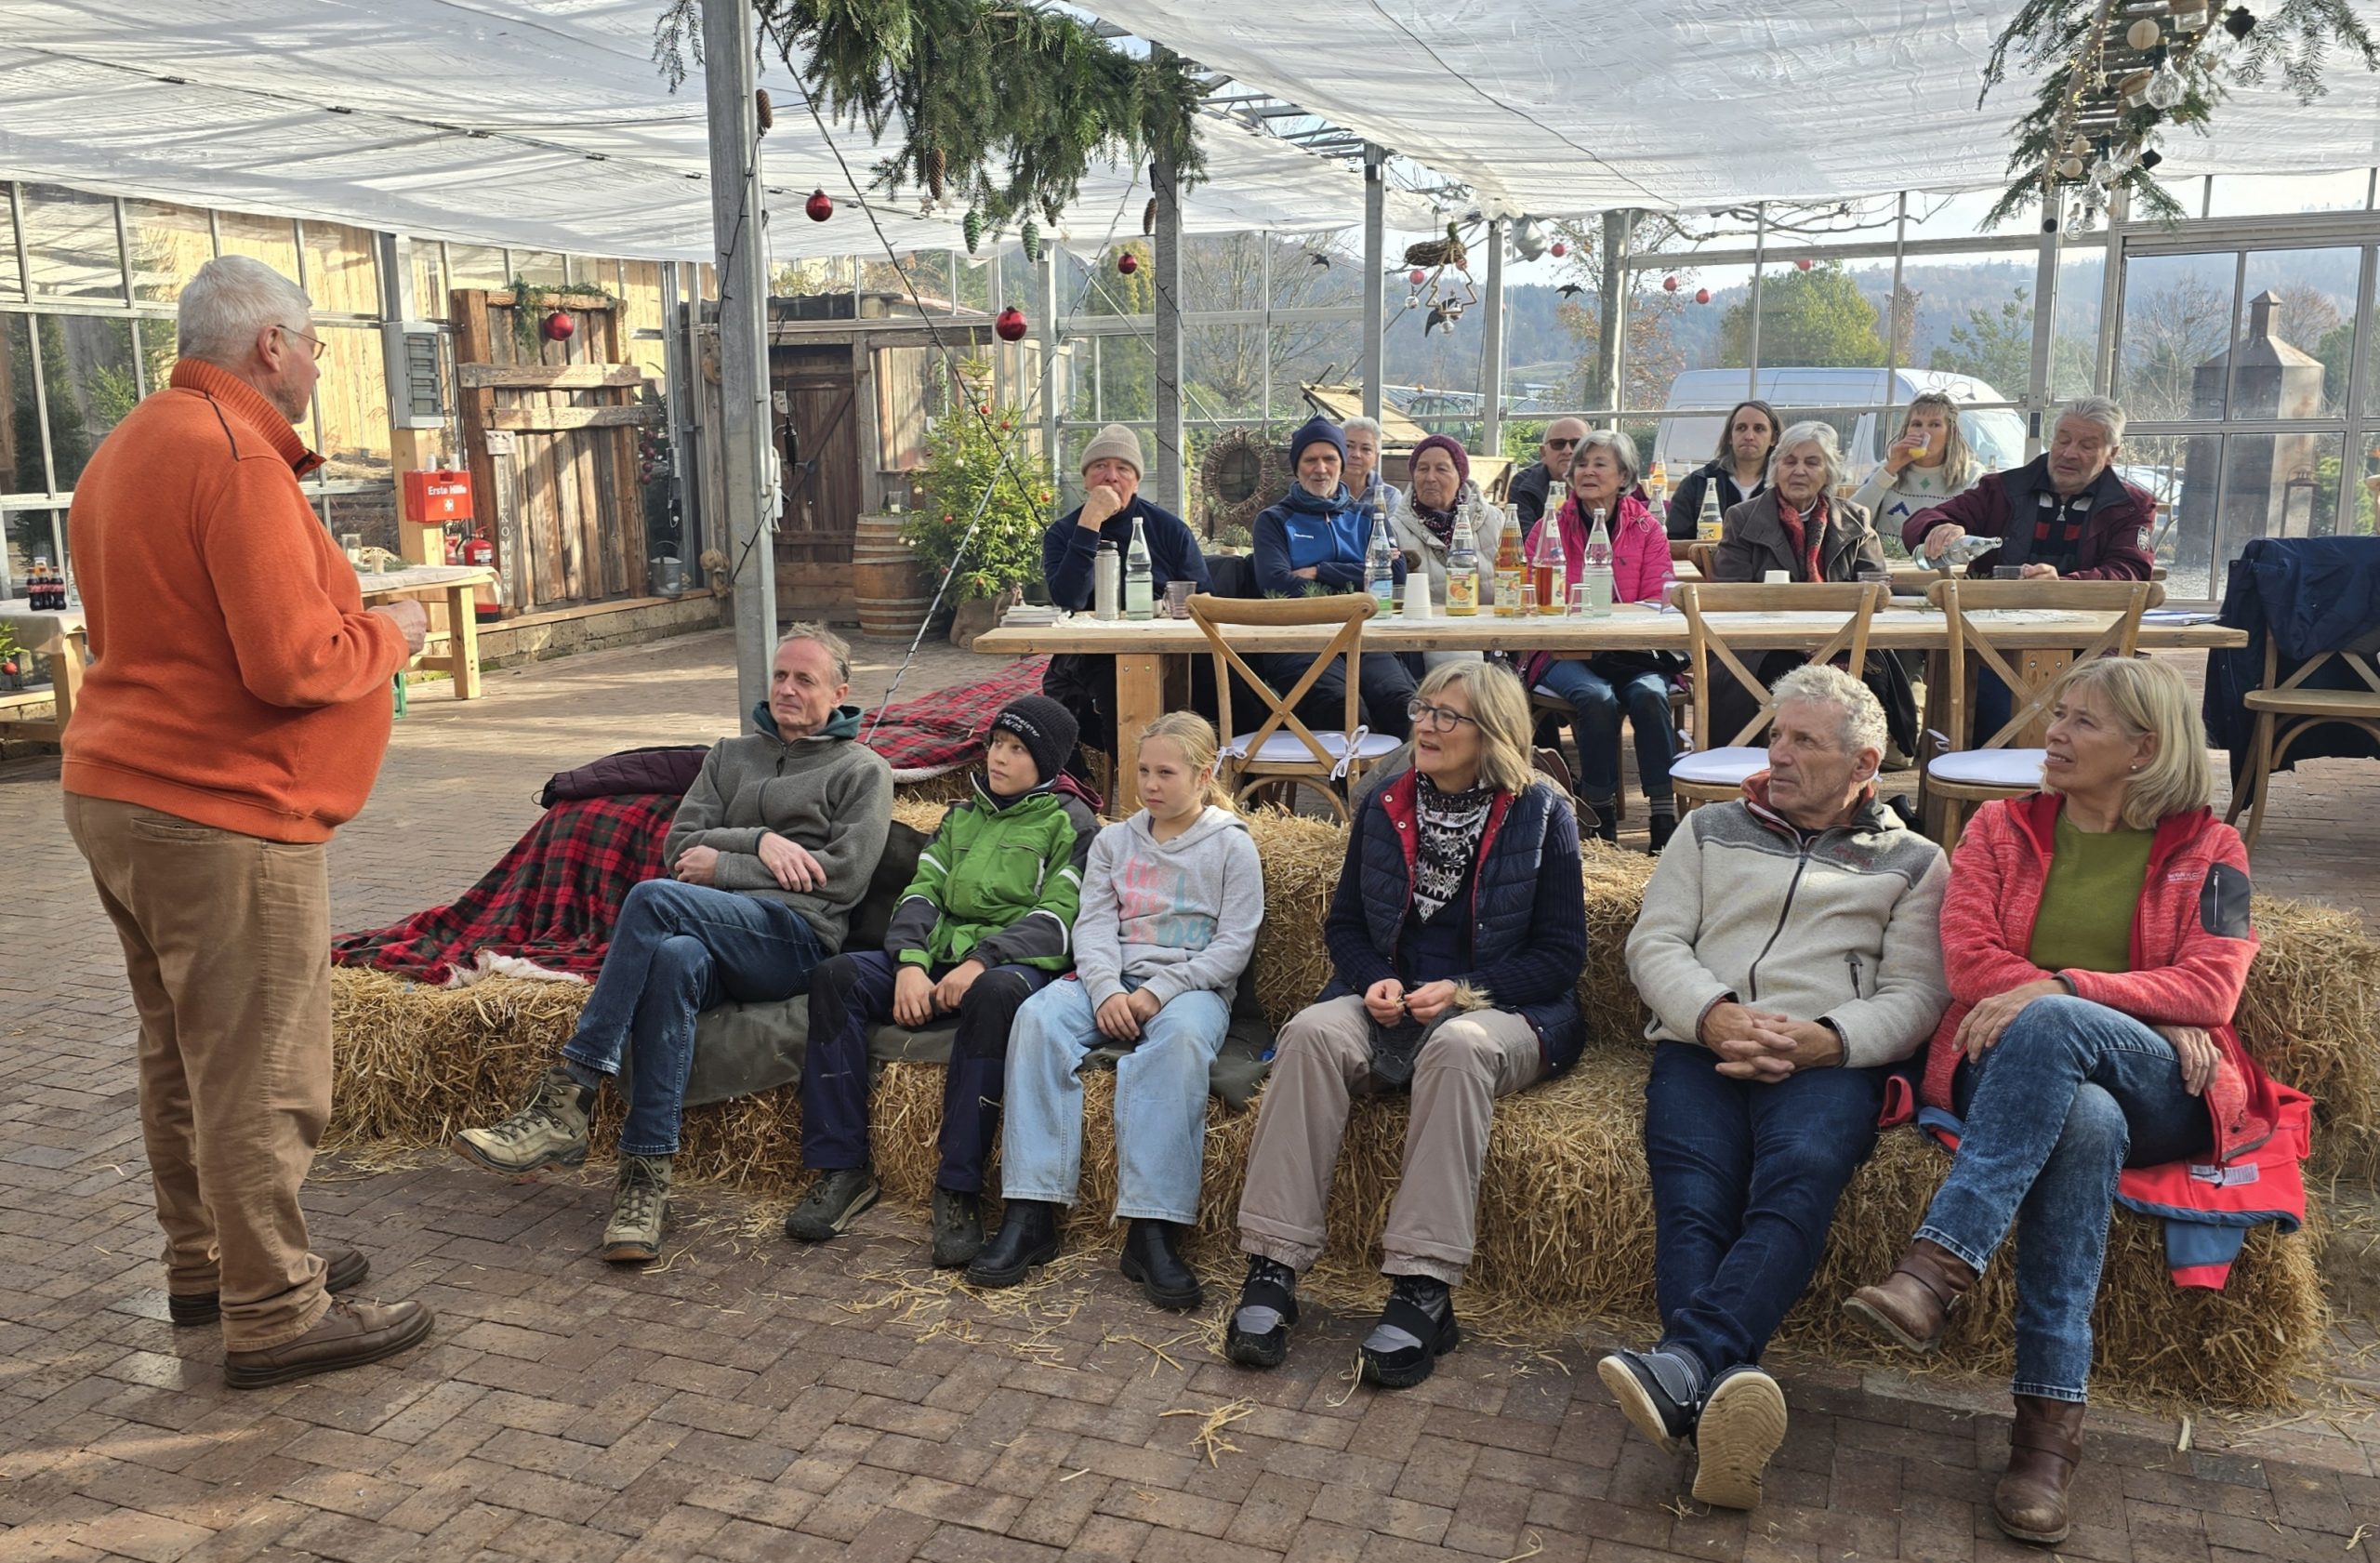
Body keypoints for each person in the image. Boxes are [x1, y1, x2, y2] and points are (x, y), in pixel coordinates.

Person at [60, 255, 435, 1387]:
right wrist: (397, 627)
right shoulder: (232, 457)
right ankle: (272, 1307)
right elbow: (294, 661)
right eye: (316, 341)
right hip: (220, 811)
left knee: (179, 1050)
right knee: (262, 1067)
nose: (320, 361)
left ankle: (210, 1262)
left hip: (118, 792)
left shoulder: (128, 447)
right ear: (269, 343)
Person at [1843, 656, 2301, 1548]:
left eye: (2082, 723)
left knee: (2055, 1021)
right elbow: (1971, 966)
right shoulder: (1997, 830)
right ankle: (2047, 1436)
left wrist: (2070, 989)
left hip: (2169, 1084)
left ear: (2145, 748)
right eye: (2060, 715)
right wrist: (2136, 1002)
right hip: (2005, 1062)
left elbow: (2212, 986)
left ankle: (1937, 1267)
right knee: (2082, 1113)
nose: (2053, 733)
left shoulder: (2216, 848)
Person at [1610, 666, 1950, 1510]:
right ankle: (1716, 1384)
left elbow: (1917, 994)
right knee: (1693, 1199)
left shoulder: (1915, 861)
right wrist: (1713, 1013)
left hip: (1828, 1060)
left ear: (1864, 763)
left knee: (1797, 1179)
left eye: (1805, 741)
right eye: (1778, 734)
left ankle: (1685, 1366)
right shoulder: (1709, 828)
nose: (1779, 753)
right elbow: (1654, 943)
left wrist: (1828, 1040)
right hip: (1704, 1044)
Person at [456, 623, 892, 1260]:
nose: (787, 689)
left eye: (805, 679)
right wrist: (762, 843)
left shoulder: (863, 771)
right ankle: (645, 1182)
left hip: (794, 940)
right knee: (671, 956)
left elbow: (843, 876)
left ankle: (570, 1093)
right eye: (780, 675)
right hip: (713, 936)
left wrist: (727, 861)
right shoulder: (729, 755)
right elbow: (679, 844)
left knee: (652, 898)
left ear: (841, 691)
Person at [1227, 661, 1585, 1389]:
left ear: (1494, 732)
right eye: (1424, 708)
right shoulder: (1385, 802)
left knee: (1456, 1048)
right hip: (1390, 999)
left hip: (1503, 1010)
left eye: (1447, 716)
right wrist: (1371, 980)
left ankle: (1424, 1287)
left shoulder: (1543, 812)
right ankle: (1272, 1264)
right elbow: (1347, 925)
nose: (1425, 724)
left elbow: (1562, 954)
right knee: (1309, 1033)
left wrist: (1464, 989)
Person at [786, 695, 1100, 1266]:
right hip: (933, 961)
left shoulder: (1073, 824)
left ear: (1048, 761)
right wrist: (908, 963)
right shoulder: (961, 815)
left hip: (1004, 969)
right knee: (838, 977)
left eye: (1016, 749)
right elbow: (921, 891)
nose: (998, 759)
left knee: (997, 993)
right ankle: (841, 1168)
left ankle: (958, 1189)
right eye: (995, 745)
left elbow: (1061, 918)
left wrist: (980, 961)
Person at [971, 713, 1264, 1307]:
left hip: (1190, 989)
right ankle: (1032, 1211)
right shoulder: (1113, 841)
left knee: (1178, 1044)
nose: (1150, 785)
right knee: (1037, 1019)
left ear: (1204, 776)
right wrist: (1105, 991)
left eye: (1166, 773)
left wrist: (1159, 993)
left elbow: (1233, 945)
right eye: (1142, 771)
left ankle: (1152, 1228)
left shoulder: (1232, 846)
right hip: (1110, 977)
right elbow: (1095, 926)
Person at [1710, 422, 1916, 761]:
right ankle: (1780, 770)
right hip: (1765, 644)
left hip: (1844, 641)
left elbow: (1877, 588)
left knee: (1870, 682)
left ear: (1828, 472)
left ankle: (1854, 781)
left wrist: (1827, 624)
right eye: (1789, 461)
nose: (1799, 470)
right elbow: (1730, 595)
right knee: (1789, 678)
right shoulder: (1741, 517)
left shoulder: (1856, 518)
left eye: (1812, 462)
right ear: (1775, 469)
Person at [1516, 429, 1680, 850]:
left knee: (1648, 694)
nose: (1587, 471)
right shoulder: (1548, 528)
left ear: (1624, 476)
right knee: (1596, 696)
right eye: (1581, 465)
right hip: (1559, 651)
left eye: (1599, 464)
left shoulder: (1647, 529)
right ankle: (1598, 815)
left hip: (1631, 653)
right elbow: (1533, 596)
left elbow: (1657, 602)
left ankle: (1664, 813)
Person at [1040, 424, 1213, 762]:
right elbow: (1070, 599)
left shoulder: (1168, 529)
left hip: (1173, 648)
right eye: (1099, 467)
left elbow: (1203, 598)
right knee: (1117, 687)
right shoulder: (1063, 532)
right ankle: (1139, 787)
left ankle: (1219, 784)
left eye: (1123, 468)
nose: (1111, 476)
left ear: (1136, 479)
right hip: (1094, 654)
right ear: (1086, 479)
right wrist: (1090, 522)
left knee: (1223, 682)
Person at [1250, 416, 1415, 741]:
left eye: (1329, 459)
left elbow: (1396, 574)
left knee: (1402, 703)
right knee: (1343, 708)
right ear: (1297, 467)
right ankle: (1353, 792)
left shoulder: (1368, 517)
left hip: (1367, 640)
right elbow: (1276, 584)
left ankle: (1402, 790)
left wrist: (1319, 571)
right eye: (1310, 459)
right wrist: (1362, 579)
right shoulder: (1273, 520)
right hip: (1299, 643)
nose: (1320, 468)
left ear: (1341, 465)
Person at [1904, 397, 2153, 582]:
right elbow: (1920, 521)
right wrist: (1937, 529)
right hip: (1990, 629)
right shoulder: (2002, 489)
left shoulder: (2130, 506)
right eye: (2063, 440)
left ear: (2112, 454)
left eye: (2087, 446)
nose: (2069, 453)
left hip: (2089, 636)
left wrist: (2064, 586)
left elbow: (2130, 572)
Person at [1387, 432, 1501, 656]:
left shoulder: (1495, 520)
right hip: (1427, 639)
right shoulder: (1395, 528)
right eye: (1422, 469)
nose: (1430, 477)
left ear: (1460, 477)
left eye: (1441, 469)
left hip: (1492, 633)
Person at [1850, 391, 1985, 541]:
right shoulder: (1886, 471)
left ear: (1950, 433)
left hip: (1946, 563)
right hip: (1889, 563)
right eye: (1916, 424)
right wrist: (1890, 468)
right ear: (1907, 430)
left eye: (1935, 424)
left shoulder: (1971, 476)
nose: (1924, 431)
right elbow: (1850, 520)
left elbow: (1981, 533)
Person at [1667, 399, 1778, 540]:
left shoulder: (1783, 485)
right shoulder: (1696, 484)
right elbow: (1674, 540)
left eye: (1759, 429)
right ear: (1729, 437)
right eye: (1741, 428)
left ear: (1773, 438)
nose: (1749, 436)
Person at [1509, 416, 1589, 529]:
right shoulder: (1523, 485)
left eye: (1577, 444)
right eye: (1558, 444)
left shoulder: (1604, 482)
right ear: (1543, 453)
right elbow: (1525, 539)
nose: (1567, 451)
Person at [1343, 415, 1401, 518]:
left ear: (1376, 457)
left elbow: (1391, 533)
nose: (1356, 454)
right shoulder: (1325, 491)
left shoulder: (1390, 496)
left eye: (1366, 449)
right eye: (1349, 446)